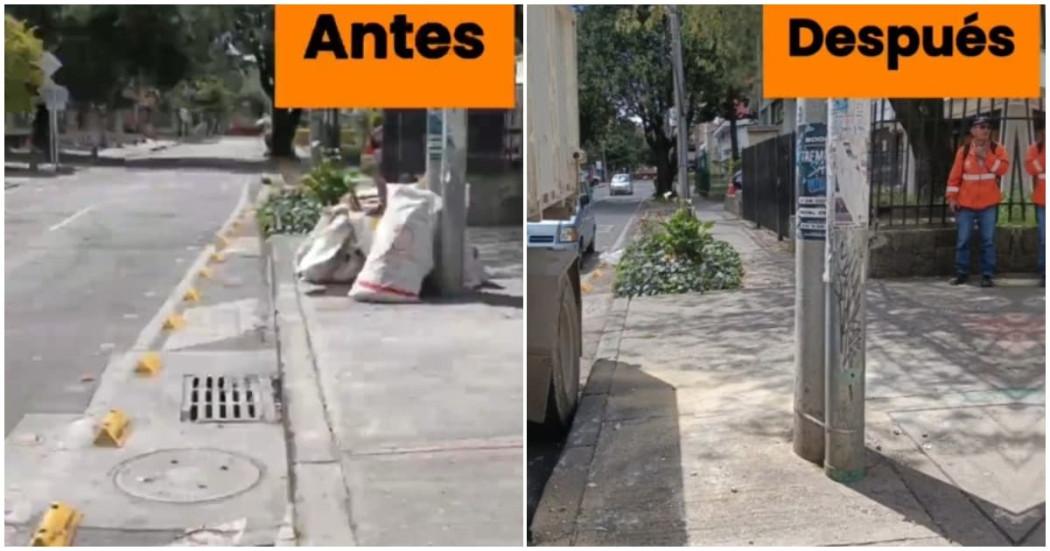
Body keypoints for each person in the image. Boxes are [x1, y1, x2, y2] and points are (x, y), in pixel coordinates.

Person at [946, 115, 1010, 287]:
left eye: (987, 127)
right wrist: (952, 198)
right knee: (963, 240)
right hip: (965, 203)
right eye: (981, 126)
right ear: (973, 130)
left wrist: (986, 156)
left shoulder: (997, 149)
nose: (985, 130)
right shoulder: (964, 151)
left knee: (988, 241)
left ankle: (987, 275)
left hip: (988, 203)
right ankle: (961, 273)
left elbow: (1003, 169)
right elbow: (954, 177)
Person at [1025, 120, 1046, 286]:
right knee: (1044, 239)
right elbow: (1031, 168)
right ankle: (1044, 273)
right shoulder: (1035, 149)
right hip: (1043, 201)